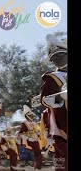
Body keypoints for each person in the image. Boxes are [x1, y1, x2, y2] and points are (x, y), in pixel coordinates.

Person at [40, 34, 67, 171]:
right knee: (62, 166)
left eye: (61, 56)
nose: (58, 60)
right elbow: (44, 100)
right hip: (61, 129)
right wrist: (61, 97)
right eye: (55, 58)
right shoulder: (51, 77)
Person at [18, 105, 42, 170]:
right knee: (37, 155)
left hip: (36, 141)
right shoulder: (24, 124)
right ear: (27, 115)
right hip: (29, 142)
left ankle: (37, 168)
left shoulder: (34, 123)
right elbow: (20, 134)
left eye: (32, 115)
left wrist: (38, 133)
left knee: (38, 155)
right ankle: (37, 167)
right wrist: (28, 138)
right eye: (31, 115)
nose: (32, 116)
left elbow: (37, 131)